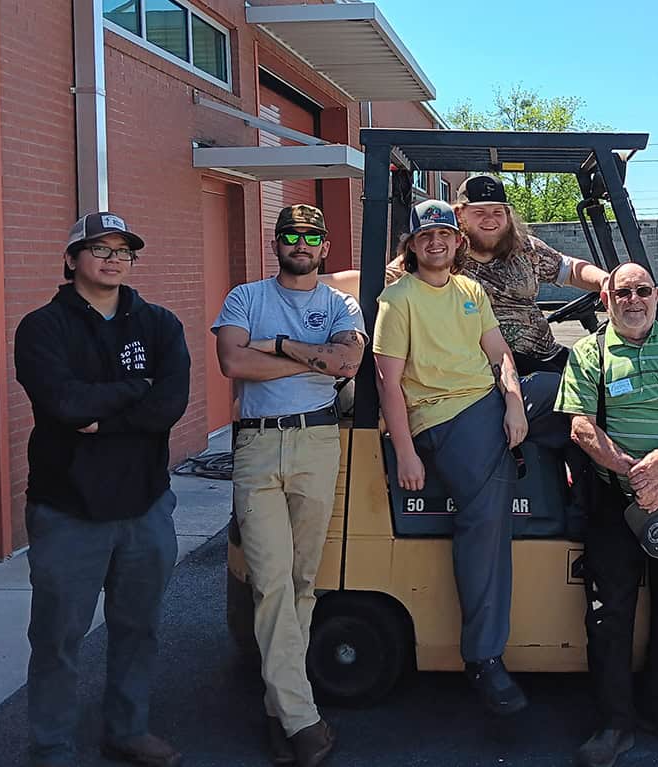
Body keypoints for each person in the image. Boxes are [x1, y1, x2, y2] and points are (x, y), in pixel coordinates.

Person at [372, 199, 566, 717]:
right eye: (424, 236)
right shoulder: (398, 299)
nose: (436, 242)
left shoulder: (470, 290)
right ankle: (483, 656)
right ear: (411, 246)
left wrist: (512, 401)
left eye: (443, 233)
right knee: (486, 517)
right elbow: (388, 382)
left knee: (574, 390)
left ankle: (593, 510)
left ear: (458, 241)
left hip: (486, 401)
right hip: (441, 417)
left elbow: (499, 353)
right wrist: (407, 452)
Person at [14, 212, 190, 767]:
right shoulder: (42, 327)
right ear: (71, 260)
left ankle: (127, 729)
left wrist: (109, 412)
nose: (113, 258)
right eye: (98, 249)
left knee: (138, 629)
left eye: (122, 250)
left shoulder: (159, 324)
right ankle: (51, 747)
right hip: (67, 509)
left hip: (145, 505)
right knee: (58, 638)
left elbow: (170, 404)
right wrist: (136, 390)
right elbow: (65, 405)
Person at [213, 204, 367, 767]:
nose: (300, 243)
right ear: (275, 243)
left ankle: (280, 710)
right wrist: (309, 357)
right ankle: (302, 721)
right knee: (272, 582)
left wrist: (274, 348)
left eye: (311, 236)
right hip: (257, 447)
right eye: (290, 235)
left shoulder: (339, 304)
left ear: (325, 247)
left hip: (317, 446)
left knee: (303, 582)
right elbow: (233, 362)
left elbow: (348, 362)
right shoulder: (244, 298)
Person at [556, 262, 658, 767]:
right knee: (610, 613)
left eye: (642, 291)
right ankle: (614, 723)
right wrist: (634, 474)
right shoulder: (589, 353)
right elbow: (581, 426)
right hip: (615, 498)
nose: (633, 300)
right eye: (622, 291)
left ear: (656, 295)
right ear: (606, 297)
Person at [324, 175, 608, 373]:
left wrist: (608, 282)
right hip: (485, 366)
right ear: (460, 214)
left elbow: (569, 269)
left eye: (498, 212)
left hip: (544, 355)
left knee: (598, 382)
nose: (490, 219)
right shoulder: (443, 252)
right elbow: (377, 278)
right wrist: (314, 283)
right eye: (479, 212)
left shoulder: (525, 248)